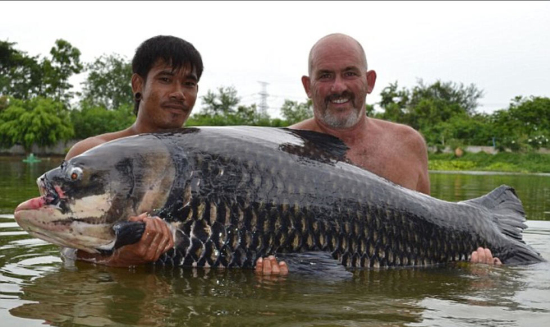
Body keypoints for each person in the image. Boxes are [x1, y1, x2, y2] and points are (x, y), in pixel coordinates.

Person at [255, 33, 501, 275]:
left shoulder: (408, 143)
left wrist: (474, 269)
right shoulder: (281, 149)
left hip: (393, 304)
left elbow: (432, 234)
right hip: (318, 301)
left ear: (369, 81)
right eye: (326, 76)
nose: (338, 87)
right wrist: (270, 283)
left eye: (350, 73)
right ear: (308, 86)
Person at [63, 35, 203, 267]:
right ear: (138, 84)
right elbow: (69, 252)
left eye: (189, 84)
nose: (179, 93)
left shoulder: (205, 157)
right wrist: (119, 261)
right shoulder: (94, 154)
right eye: (166, 79)